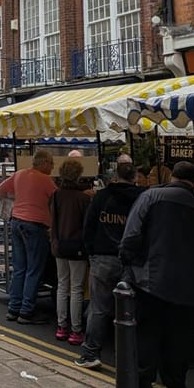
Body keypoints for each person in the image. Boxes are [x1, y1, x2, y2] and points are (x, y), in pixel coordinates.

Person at [119, 161, 194, 388]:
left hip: (149, 284)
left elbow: (130, 237)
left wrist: (128, 266)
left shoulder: (150, 197)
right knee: (177, 353)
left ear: (172, 176)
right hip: (187, 293)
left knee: (146, 344)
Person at [74, 155, 143, 369]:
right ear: (135, 177)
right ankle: (130, 357)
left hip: (103, 257)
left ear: (115, 175)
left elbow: (89, 226)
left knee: (99, 308)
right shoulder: (143, 198)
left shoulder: (102, 196)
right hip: (132, 259)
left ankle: (90, 354)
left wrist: (91, 251)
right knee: (132, 309)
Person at [0, 149, 58, 324]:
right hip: (35, 226)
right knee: (34, 270)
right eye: (51, 163)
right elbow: (58, 200)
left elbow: (0, 189)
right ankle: (26, 312)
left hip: (16, 222)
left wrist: (13, 202)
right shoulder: (46, 180)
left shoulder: (20, 174)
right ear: (43, 163)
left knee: (19, 268)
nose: (53, 167)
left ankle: (13, 308)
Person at [50, 158, 92, 344]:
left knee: (62, 286)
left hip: (59, 245)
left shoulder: (56, 195)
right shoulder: (84, 198)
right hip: (77, 247)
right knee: (76, 289)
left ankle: (61, 327)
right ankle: (76, 330)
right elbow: (87, 225)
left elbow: (53, 219)